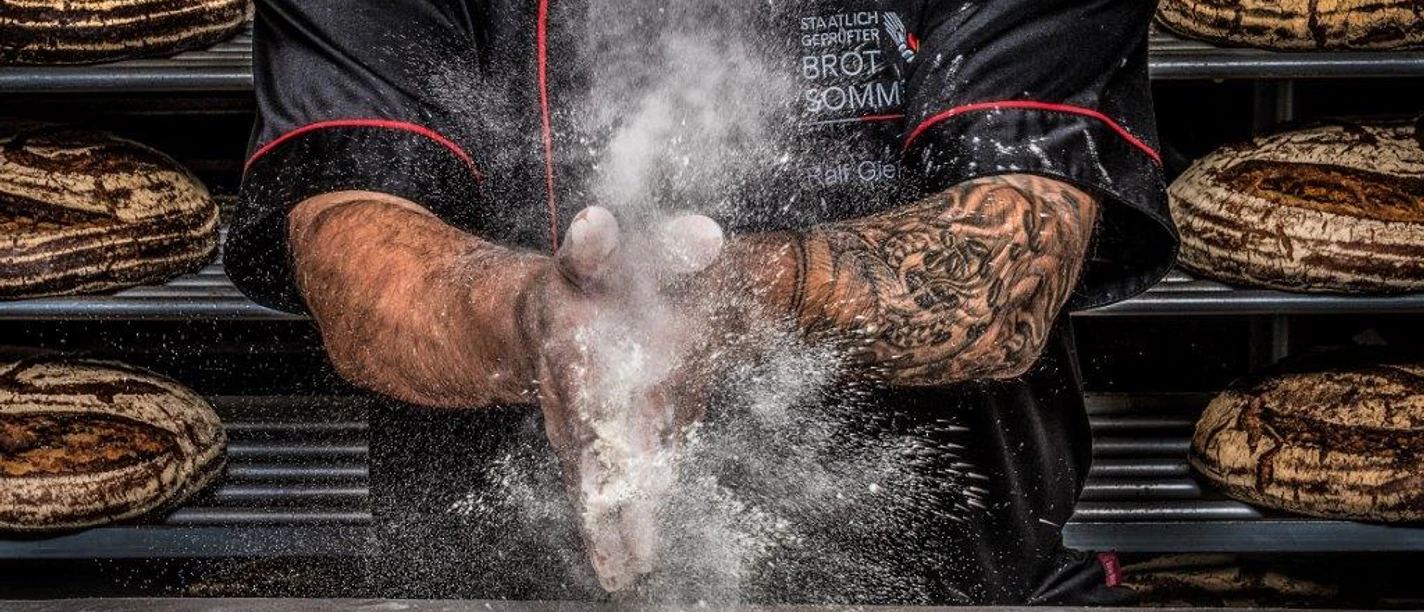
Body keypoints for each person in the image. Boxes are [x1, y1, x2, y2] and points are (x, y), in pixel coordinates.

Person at [228, 0, 1178, 604]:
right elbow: (351, 250)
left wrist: (737, 302)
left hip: (946, 587)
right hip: (491, 588)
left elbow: (1017, 255)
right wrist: (540, 324)